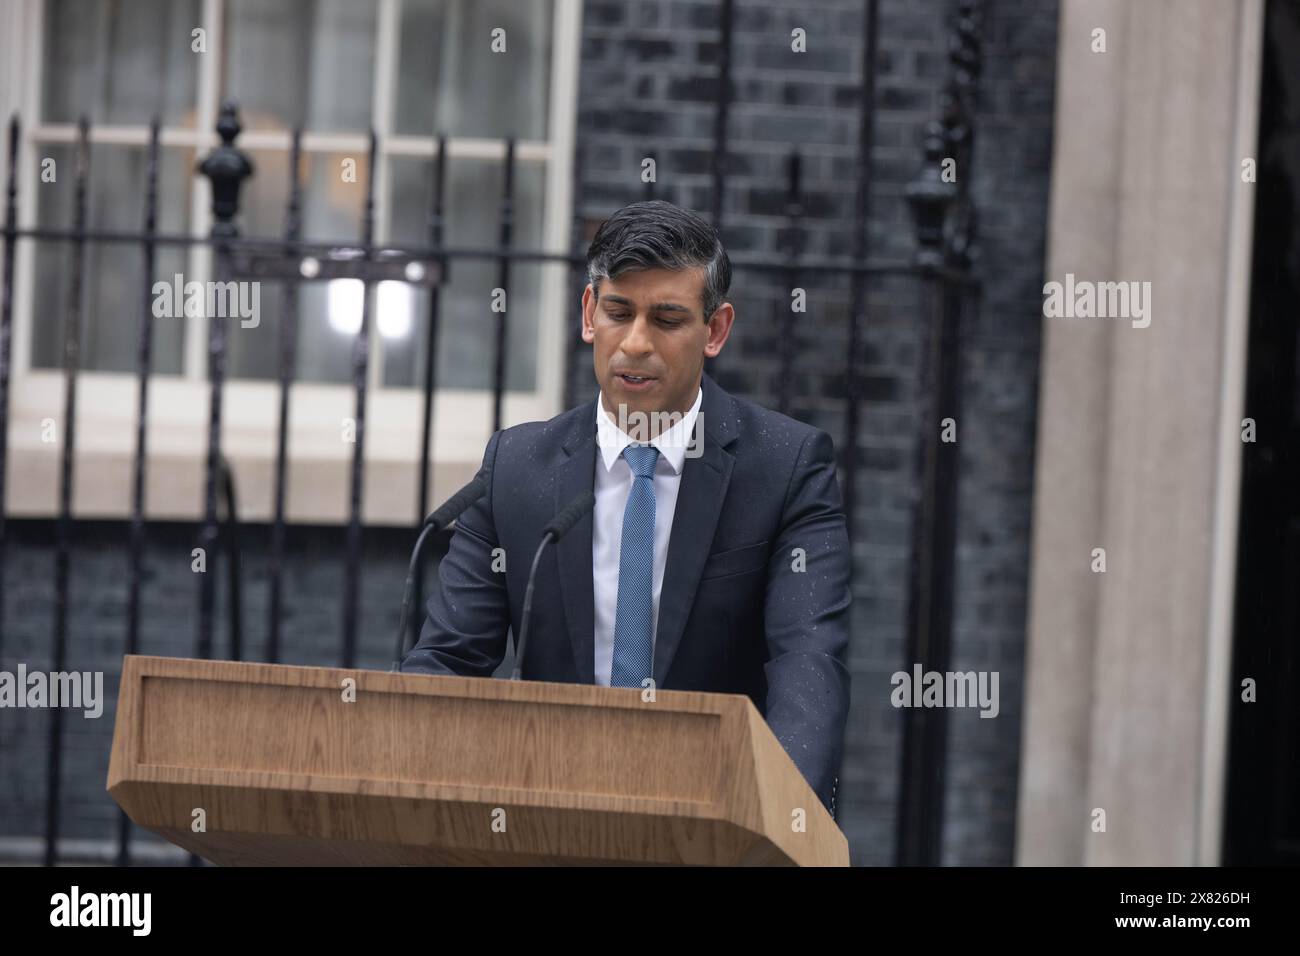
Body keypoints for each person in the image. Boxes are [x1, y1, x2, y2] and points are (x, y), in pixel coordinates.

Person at [402, 199, 851, 816]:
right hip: (544, 825)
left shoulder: (787, 467)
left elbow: (807, 662)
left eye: (666, 319)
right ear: (590, 314)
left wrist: (782, 819)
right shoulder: (516, 468)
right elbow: (449, 660)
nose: (635, 343)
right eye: (619, 312)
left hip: (714, 824)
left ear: (715, 330)